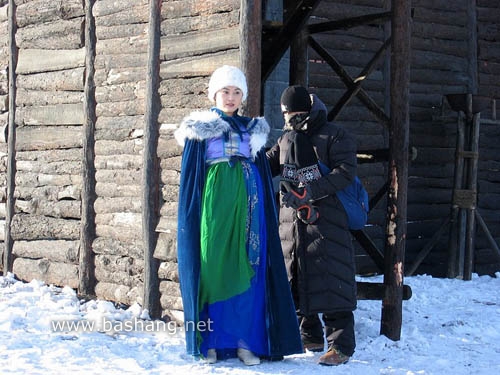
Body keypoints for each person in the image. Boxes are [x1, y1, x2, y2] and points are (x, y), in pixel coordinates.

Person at [174, 66, 302, 366]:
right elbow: (191, 179)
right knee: (212, 268)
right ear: (214, 94)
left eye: (236, 92)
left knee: (250, 269)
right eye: (225, 91)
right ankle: (211, 341)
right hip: (215, 205)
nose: (230, 97)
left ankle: (246, 342)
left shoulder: (252, 129)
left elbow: (260, 166)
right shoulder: (200, 127)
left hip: (250, 203)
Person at [266, 85, 358, 366]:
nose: (289, 120)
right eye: (285, 114)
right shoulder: (285, 140)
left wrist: (311, 191)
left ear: (308, 110)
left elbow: (345, 172)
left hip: (326, 219)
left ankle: (340, 346)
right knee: (297, 275)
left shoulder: (334, 135)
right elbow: (264, 165)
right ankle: (311, 335)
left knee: (332, 281)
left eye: (294, 114)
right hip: (291, 223)